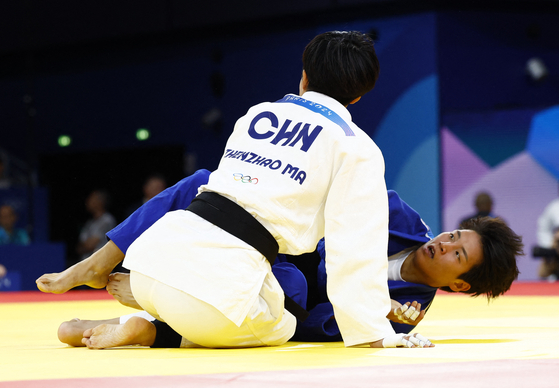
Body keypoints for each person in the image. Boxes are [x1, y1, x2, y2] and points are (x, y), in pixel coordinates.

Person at [37, 31, 431, 349]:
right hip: (215, 297)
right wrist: (375, 331)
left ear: (304, 77)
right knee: (286, 323)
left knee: (211, 199)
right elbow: (353, 250)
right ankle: (146, 329)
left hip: (149, 262)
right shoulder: (355, 146)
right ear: (359, 96)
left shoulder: (258, 113)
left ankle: (144, 304)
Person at [54, 170, 521, 348]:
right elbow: (324, 197)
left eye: (457, 254)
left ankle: (148, 323)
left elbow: (318, 326)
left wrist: (373, 318)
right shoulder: (396, 212)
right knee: (205, 179)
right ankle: (104, 258)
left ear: (459, 284)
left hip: (279, 288)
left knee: (287, 307)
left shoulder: (404, 316)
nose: (443, 242)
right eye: (454, 234)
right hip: (276, 239)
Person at [76, 190, 116, 263]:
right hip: (85, 264)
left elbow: (90, 245)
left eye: (91, 199)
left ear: (100, 202)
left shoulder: (107, 220)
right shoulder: (89, 222)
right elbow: (78, 248)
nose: (88, 202)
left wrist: (84, 247)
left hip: (100, 265)